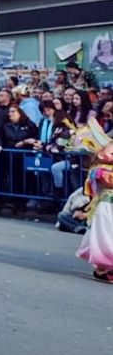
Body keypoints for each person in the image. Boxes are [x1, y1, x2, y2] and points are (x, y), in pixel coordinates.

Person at [69, 119, 113, 282]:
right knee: (105, 236)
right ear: (101, 154)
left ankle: (104, 267)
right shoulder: (99, 170)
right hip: (106, 206)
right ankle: (103, 268)